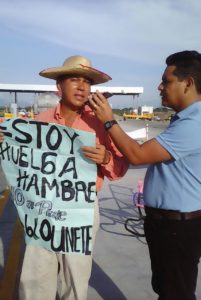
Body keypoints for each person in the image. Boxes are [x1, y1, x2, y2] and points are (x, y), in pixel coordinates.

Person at [85, 50, 201, 300]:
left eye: (166, 81)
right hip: (166, 224)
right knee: (166, 288)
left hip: (178, 227)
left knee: (177, 292)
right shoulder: (184, 120)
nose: (159, 87)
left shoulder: (196, 122)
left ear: (188, 83)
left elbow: (137, 155)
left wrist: (108, 121)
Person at [19, 55, 129, 300]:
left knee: (76, 280)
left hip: (82, 208)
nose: (82, 87)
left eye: (87, 82)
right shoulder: (41, 121)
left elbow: (121, 167)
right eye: (74, 80)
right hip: (43, 207)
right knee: (35, 277)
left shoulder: (101, 123)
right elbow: (25, 165)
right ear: (59, 86)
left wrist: (107, 158)